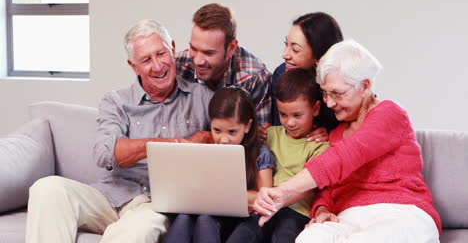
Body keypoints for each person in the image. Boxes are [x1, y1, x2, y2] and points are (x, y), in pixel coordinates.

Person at [25, 19, 214, 243]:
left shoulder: (203, 98)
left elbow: (229, 138)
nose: (157, 66)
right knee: (47, 188)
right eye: (146, 60)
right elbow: (106, 153)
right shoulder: (116, 102)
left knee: (138, 230)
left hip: (155, 204)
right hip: (109, 196)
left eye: (161, 54)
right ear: (133, 66)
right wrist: (173, 144)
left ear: (172, 49)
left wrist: (206, 138)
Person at [254, 40, 442, 243]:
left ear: (365, 86)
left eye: (337, 93)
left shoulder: (389, 113)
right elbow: (328, 188)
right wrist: (322, 210)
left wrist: (284, 190)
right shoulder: (335, 134)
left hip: (400, 212)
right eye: (325, 93)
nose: (329, 102)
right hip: (348, 216)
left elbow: (347, 156)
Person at [227, 69, 329, 242]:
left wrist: (278, 199)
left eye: (297, 115)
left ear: (316, 108)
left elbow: (307, 186)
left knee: (282, 237)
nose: (290, 122)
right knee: (241, 236)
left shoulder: (319, 146)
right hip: (265, 206)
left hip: (297, 211)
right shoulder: (270, 135)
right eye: (283, 114)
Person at [162, 87, 275, 243]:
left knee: (205, 218)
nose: (223, 139)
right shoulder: (206, 147)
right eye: (217, 130)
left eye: (232, 132)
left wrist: (217, 194)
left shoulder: (260, 154)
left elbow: (264, 197)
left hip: (237, 219)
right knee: (183, 217)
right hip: (204, 210)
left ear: (247, 126)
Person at [176, 3, 272, 127]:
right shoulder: (178, 65)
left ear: (231, 48)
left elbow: (259, 136)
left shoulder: (255, 77)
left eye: (208, 53)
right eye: (193, 48)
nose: (198, 61)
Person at [260, 12, 343, 143]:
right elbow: (279, 127)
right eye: (286, 44)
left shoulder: (342, 82)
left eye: (295, 50)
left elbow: (360, 119)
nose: (285, 54)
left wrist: (331, 133)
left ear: (319, 56)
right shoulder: (281, 73)